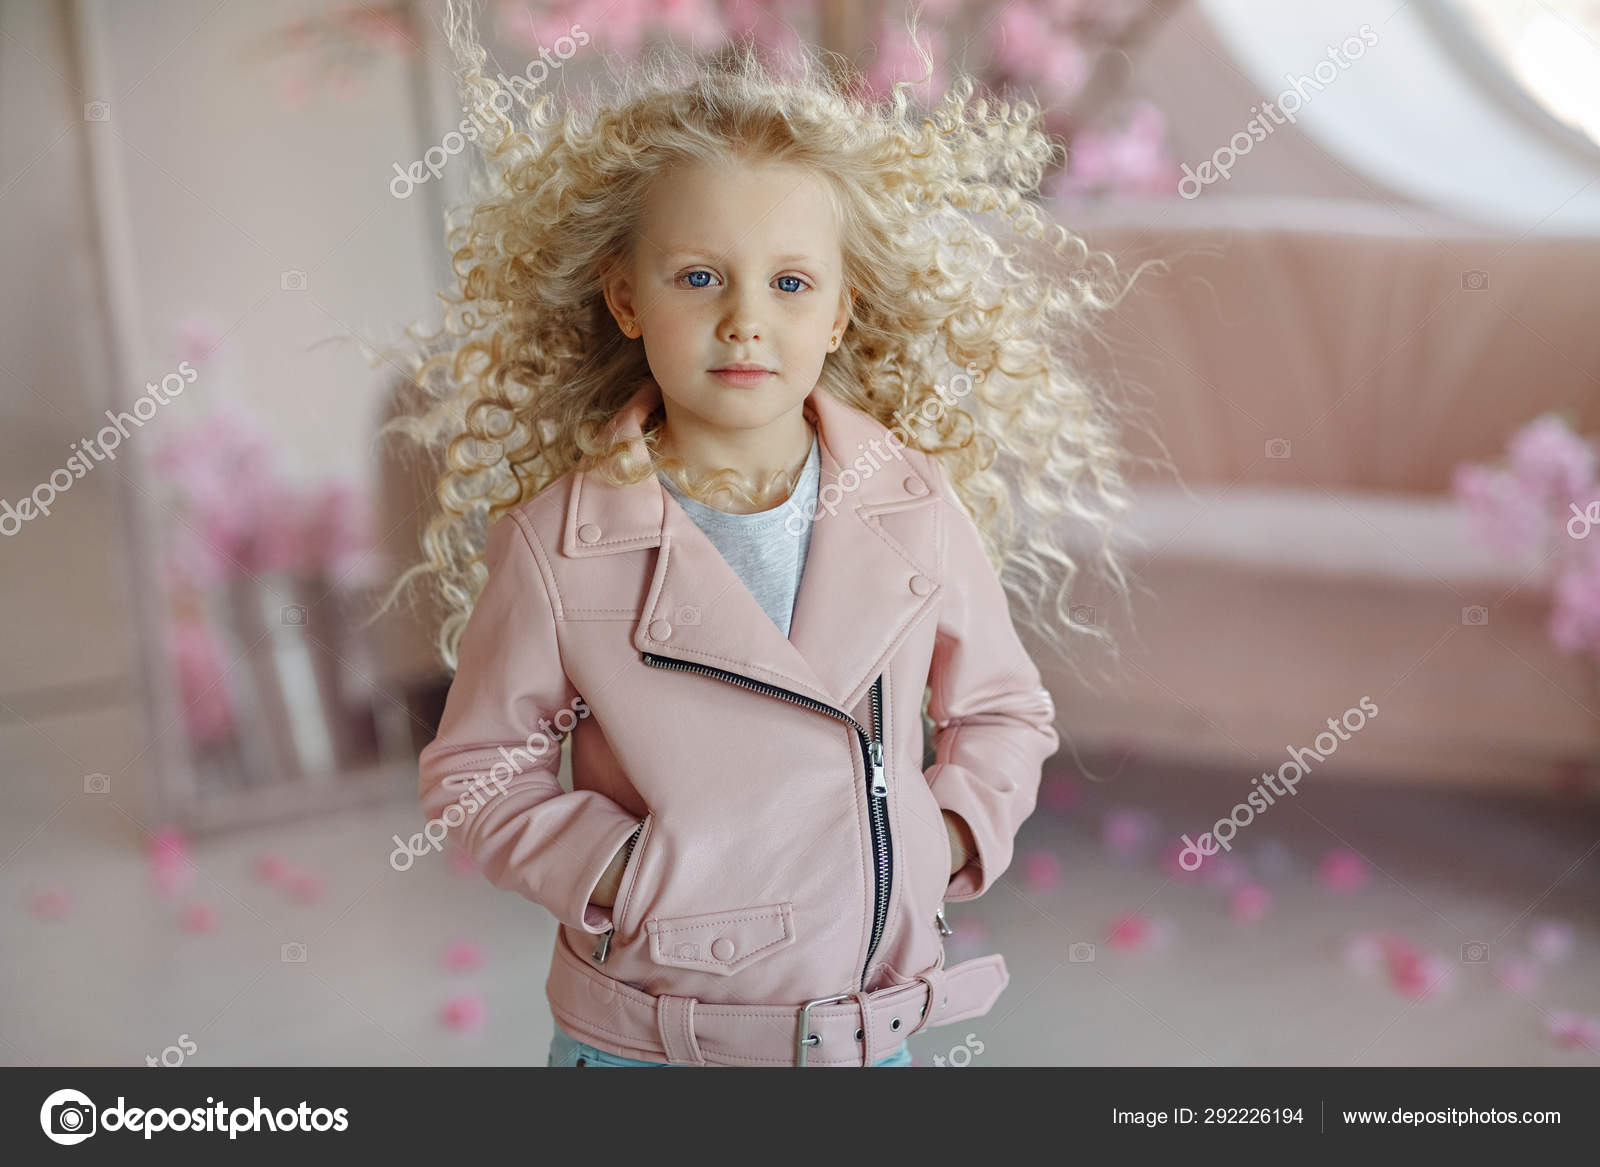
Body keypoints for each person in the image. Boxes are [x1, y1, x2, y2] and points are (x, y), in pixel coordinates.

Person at [378, 1, 1145, 1068]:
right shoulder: (562, 543)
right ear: (627, 298)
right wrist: (624, 874)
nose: (746, 318)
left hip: (869, 1038)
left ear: (836, 313)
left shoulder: (909, 504)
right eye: (699, 277)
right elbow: (476, 769)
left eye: (789, 284)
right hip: (646, 1046)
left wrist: (949, 838)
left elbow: (1002, 708)